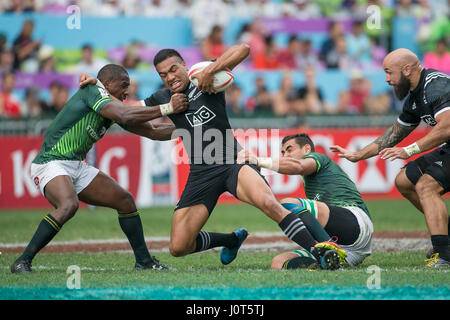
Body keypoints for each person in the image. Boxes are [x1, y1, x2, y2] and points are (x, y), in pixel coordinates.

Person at [80, 45, 344, 269]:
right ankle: (230, 240)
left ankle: (320, 251)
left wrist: (210, 68)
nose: (170, 77)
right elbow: (123, 111)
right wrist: (97, 89)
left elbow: (244, 49)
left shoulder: (206, 80)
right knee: (178, 246)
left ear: (184, 65)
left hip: (232, 162)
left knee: (268, 203)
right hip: (201, 173)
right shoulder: (162, 97)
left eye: (173, 69)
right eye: (163, 75)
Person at [10, 63, 189, 273]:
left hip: (76, 165)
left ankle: (144, 262)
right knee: (68, 205)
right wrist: (168, 108)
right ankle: (22, 261)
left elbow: (153, 131)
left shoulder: (113, 108)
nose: (127, 91)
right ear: (108, 83)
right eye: (123, 85)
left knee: (125, 201)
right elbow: (126, 115)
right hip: (51, 161)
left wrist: (189, 130)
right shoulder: (93, 90)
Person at [330, 48, 450, 268]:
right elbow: (393, 134)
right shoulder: (415, 96)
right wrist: (358, 155)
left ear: (407, 69)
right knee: (404, 180)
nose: (387, 80)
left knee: (426, 186)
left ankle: (444, 254)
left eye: (389, 72)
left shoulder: (436, 85)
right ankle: (445, 237)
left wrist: (409, 150)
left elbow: (447, 127)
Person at [238, 133, 373, 269]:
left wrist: (259, 161)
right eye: (283, 152)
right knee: (278, 263)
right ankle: (328, 261)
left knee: (288, 203)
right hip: (349, 251)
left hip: (356, 224)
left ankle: (327, 249)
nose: (286, 155)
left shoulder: (318, 157)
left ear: (307, 149)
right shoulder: (309, 180)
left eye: (290, 150)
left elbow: (299, 166)